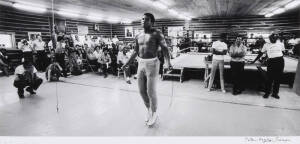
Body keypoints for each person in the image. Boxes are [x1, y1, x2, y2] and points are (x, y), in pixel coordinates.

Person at [122, 13, 172, 126]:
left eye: (147, 19)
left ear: (152, 22)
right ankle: (149, 109)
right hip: (141, 63)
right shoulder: (138, 35)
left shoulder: (157, 33)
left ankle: (154, 113)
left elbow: (165, 48)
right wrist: (127, 63)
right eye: (142, 19)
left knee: (151, 91)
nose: (143, 21)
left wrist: (168, 62)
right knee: (141, 91)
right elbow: (135, 51)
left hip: (153, 63)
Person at [251, 33, 285, 99]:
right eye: (272, 38)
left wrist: (276, 57)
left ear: (276, 38)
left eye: (275, 38)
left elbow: (283, 53)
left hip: (280, 61)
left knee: (278, 79)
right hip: (271, 62)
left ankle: (275, 93)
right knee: (269, 78)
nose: (274, 39)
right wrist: (254, 61)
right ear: (269, 38)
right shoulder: (266, 45)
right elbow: (260, 53)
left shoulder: (281, 44)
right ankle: (267, 93)